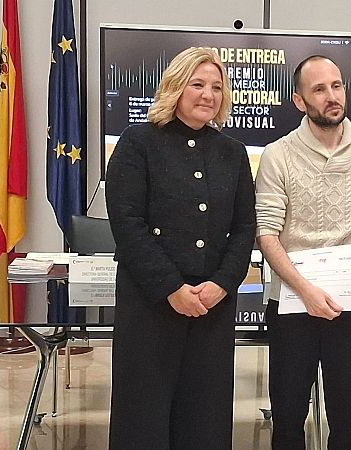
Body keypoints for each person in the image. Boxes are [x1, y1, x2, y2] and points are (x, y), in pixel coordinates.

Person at [106, 47, 256, 449]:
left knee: (205, 419)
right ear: (175, 86)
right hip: (151, 303)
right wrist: (171, 288)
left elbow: (244, 228)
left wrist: (223, 283)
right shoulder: (138, 142)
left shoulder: (233, 152)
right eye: (198, 84)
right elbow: (128, 224)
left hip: (212, 304)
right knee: (144, 417)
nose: (208, 94)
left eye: (217, 87)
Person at [255, 55, 351, 449]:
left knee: (347, 420)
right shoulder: (277, 155)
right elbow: (267, 234)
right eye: (319, 89)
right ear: (299, 101)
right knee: (288, 418)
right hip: (291, 304)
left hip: (348, 302)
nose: (332, 96)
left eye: (336, 85)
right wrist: (305, 290)